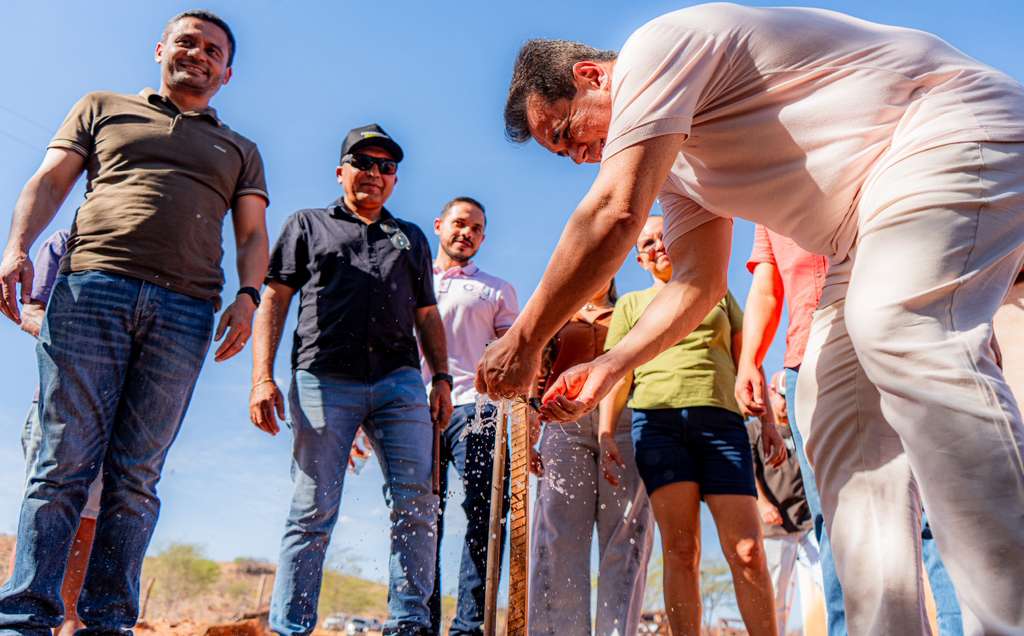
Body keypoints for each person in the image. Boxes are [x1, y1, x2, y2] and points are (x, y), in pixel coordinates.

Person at [477, 6, 1024, 633]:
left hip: (951, 127)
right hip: (859, 228)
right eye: (562, 153)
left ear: (592, 76)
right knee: (831, 404)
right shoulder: (677, 168)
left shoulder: (656, 48)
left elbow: (614, 211)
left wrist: (526, 338)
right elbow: (698, 284)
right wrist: (610, 364)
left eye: (567, 132)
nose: (577, 157)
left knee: (901, 326)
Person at [0, 10, 269, 633]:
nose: (198, 54)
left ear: (227, 74)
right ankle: (24, 619)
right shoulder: (102, 107)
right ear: (160, 49)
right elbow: (50, 181)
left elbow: (253, 234)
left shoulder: (241, 150)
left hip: (185, 310)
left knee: (138, 475)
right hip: (91, 290)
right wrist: (17, 247)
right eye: (186, 42)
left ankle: (109, 622)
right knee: (61, 462)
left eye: (213, 50)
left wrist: (248, 296)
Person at [250, 123, 451, 636]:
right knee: (312, 508)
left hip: (400, 383)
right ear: (341, 171)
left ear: (395, 179)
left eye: (386, 166)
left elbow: (428, 315)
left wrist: (443, 379)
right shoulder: (307, 225)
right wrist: (262, 378)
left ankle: (409, 624)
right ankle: (291, 627)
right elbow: (274, 299)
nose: (374, 173)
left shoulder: (410, 237)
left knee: (417, 503)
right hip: (323, 381)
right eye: (363, 163)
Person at [739, 224, 964, 636]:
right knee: (832, 518)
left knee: (930, 509)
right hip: (807, 362)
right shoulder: (765, 212)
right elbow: (766, 287)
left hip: (892, 343)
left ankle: (957, 629)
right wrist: (749, 360)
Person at [596, 215, 783, 636]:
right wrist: (606, 432)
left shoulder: (714, 291)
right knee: (681, 550)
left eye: (664, 236)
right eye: (647, 243)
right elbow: (619, 374)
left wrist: (768, 422)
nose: (658, 246)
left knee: (748, 550)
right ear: (639, 260)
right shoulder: (630, 305)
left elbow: (747, 359)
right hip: (658, 426)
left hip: (722, 425)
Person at [528, 277, 653, 636]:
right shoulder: (558, 315)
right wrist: (531, 425)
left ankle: (617, 631)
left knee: (626, 530)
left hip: (625, 417)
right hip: (563, 420)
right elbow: (538, 372)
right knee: (559, 531)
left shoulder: (630, 311)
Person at [424, 196, 519, 635]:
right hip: (415, 408)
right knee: (421, 516)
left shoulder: (495, 289)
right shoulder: (413, 280)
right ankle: (418, 621)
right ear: (439, 225)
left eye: (477, 229)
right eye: (460, 223)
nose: (467, 233)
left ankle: (468, 627)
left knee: (485, 514)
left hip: (478, 410)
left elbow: (512, 354)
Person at [10, 230, 103, 636]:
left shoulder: (143, 249)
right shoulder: (65, 241)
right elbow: (31, 312)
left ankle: (69, 619)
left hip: (111, 409)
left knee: (90, 517)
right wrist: (83, 345)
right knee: (45, 504)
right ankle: (23, 617)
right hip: (57, 400)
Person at [749, 372, 819, 636]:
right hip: (776, 527)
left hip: (807, 522)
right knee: (776, 598)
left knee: (829, 581)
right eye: (781, 396)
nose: (786, 403)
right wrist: (762, 504)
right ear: (770, 393)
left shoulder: (801, 429)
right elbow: (748, 471)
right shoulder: (755, 431)